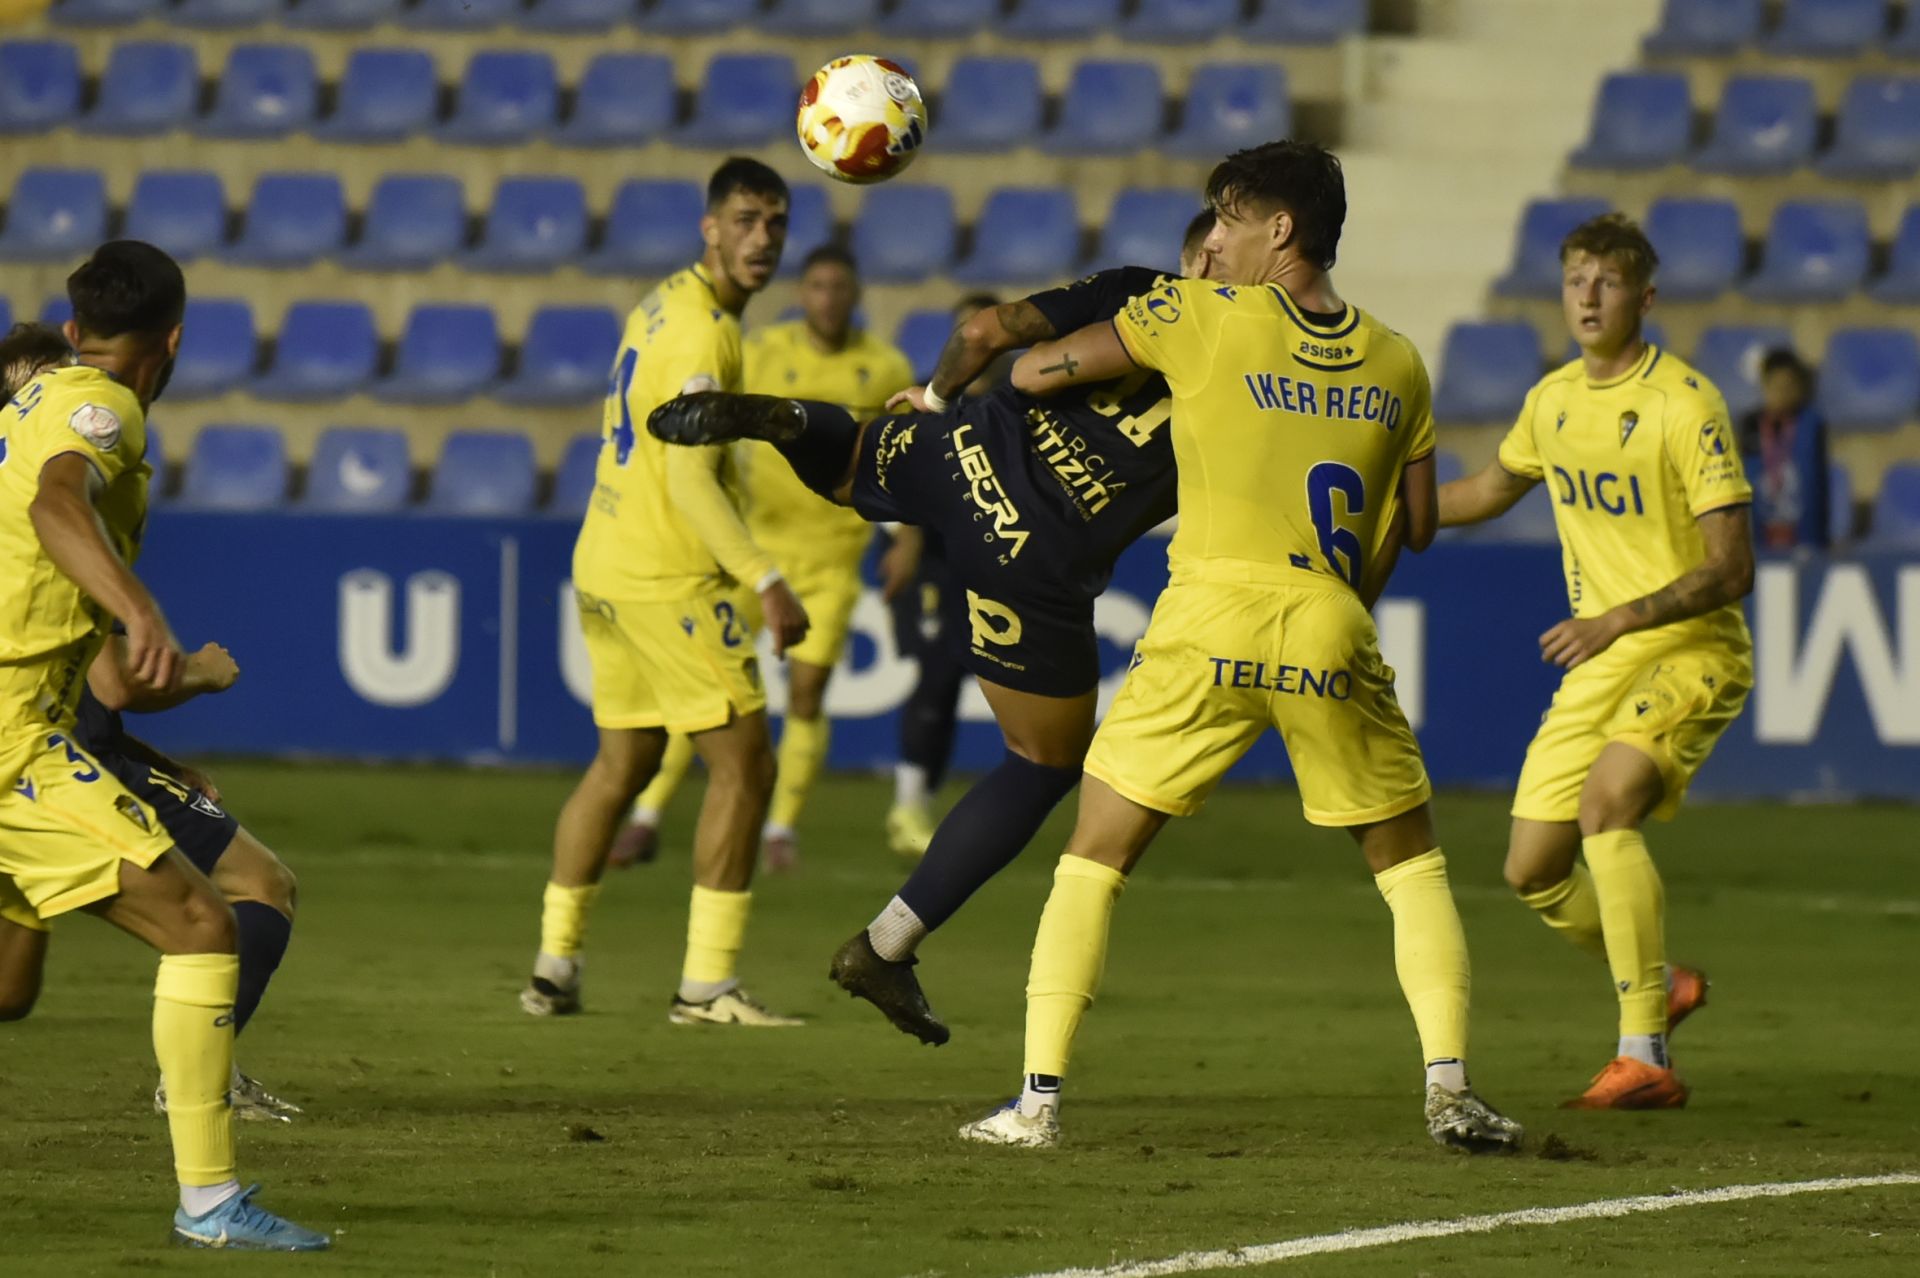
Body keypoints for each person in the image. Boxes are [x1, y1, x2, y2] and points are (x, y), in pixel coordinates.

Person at [951, 141, 1522, 1154]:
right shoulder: (1399, 358)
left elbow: (1034, 367)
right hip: (1325, 620)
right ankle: (1450, 1089)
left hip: (1206, 615)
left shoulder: (1198, 315)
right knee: (1409, 863)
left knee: (1094, 855)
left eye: (1226, 220)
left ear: (1281, 231)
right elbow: (1421, 520)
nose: (1210, 241)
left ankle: (1036, 1103)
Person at [650, 212, 1297, 1057]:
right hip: (1041, 543)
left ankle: (797, 422)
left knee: (852, 468)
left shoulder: (1139, 290)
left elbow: (984, 330)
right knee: (1042, 761)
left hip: (966, 446)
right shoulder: (1267, 364)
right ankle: (885, 946)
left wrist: (938, 398)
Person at [0, 244, 326, 1247]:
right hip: (12, 742)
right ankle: (210, 1203)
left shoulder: (30, 396)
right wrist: (141, 608)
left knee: (10, 989)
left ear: (72, 320)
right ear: (173, 340)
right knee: (201, 921)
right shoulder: (103, 406)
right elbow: (61, 500)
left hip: (38, 729)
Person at [1438, 212, 1755, 1110]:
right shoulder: (1553, 401)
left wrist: (1622, 616)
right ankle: (1667, 983)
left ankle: (1643, 1050)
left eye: (1606, 281)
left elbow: (1733, 567)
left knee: (1605, 806)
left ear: (1643, 298)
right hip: (1602, 656)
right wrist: (1385, 507)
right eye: (1575, 277)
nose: (1586, 295)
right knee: (1531, 869)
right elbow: (1490, 490)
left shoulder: (1684, 404)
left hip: (1688, 649)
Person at [520, 158, 808, 1028]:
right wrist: (765, 576)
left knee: (623, 763)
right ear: (709, 227)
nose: (762, 239)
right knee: (746, 764)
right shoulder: (704, 336)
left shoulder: (664, 302)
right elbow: (689, 484)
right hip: (666, 575)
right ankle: (706, 986)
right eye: (747, 220)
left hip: (603, 560)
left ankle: (553, 969)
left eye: (776, 223)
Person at [614, 246, 915, 872]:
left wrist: (907, 537)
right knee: (703, 688)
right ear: (802, 293)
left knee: (805, 695)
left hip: (833, 559)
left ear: (856, 295)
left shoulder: (884, 366)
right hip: (760, 550)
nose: (829, 297)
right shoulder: (764, 351)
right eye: (818, 285)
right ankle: (647, 816)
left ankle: (780, 829)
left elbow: (907, 456)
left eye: (840, 286)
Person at [880, 290, 1008, 860]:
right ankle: (906, 806)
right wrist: (906, 541)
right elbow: (904, 471)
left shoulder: (1016, 401)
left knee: (957, 682)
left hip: (993, 563)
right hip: (936, 557)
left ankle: (922, 798)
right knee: (935, 675)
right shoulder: (929, 397)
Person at [1738, 348, 1829, 549]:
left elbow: (1818, 488)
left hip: (1803, 538)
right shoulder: (1750, 425)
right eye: (1776, 387)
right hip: (1761, 537)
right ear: (1764, 387)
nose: (1782, 394)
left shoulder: (1811, 425)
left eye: (1789, 386)